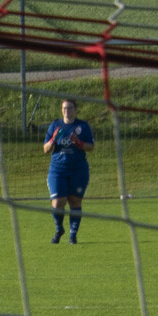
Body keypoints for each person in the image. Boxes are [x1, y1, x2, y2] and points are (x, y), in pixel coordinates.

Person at [43, 97, 95, 244]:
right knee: (57, 203)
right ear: (62, 110)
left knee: (75, 201)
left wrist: (80, 143)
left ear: (75, 109)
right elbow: (46, 149)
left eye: (70, 108)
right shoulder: (55, 126)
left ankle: (73, 235)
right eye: (64, 108)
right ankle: (59, 228)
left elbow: (91, 146)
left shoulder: (82, 126)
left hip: (78, 170)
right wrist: (53, 140)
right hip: (58, 170)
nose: (67, 111)